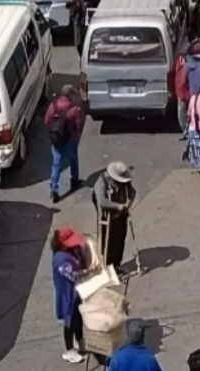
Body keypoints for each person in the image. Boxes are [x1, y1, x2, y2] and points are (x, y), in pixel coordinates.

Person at [51, 226, 87, 363]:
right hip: (67, 295)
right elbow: (72, 275)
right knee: (69, 322)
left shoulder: (71, 252)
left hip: (75, 293)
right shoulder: (61, 260)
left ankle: (80, 341)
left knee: (78, 318)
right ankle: (69, 349)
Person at [93, 162, 136, 270]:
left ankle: (116, 265)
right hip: (107, 214)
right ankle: (106, 266)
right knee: (107, 242)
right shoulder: (101, 182)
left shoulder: (124, 182)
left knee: (120, 239)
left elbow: (132, 192)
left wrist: (128, 204)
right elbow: (101, 202)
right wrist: (118, 206)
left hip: (121, 213)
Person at [46, 84, 85, 203]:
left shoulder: (53, 105)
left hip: (57, 139)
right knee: (73, 159)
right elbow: (78, 125)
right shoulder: (74, 109)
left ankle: (53, 189)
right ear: (70, 95)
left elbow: (46, 121)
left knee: (56, 164)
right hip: (70, 140)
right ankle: (74, 181)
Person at [170, 36, 192, 135]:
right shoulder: (187, 60)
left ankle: (186, 130)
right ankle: (187, 130)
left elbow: (178, 77)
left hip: (183, 89)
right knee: (185, 111)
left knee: (183, 112)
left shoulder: (180, 60)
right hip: (185, 89)